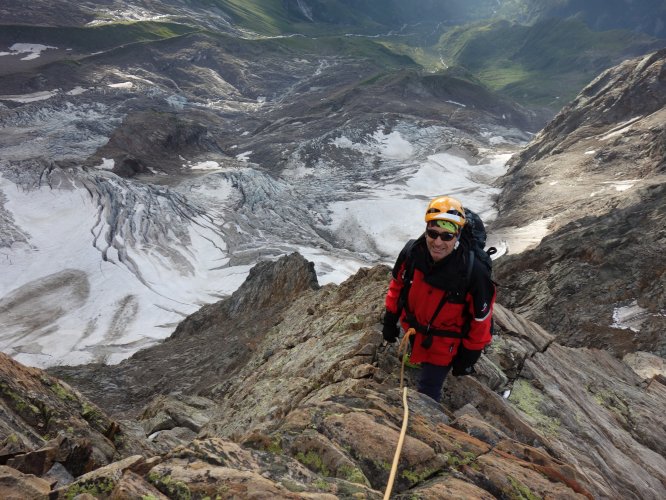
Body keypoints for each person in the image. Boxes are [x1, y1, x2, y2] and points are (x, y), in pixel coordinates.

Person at [381, 195, 495, 402]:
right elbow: (397, 285)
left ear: (457, 236)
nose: (438, 242)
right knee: (419, 358)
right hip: (414, 328)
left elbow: (481, 320)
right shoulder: (412, 253)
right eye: (432, 233)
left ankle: (425, 425)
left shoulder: (474, 272)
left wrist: (469, 356)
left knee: (428, 390)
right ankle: (417, 357)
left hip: (444, 344)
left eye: (447, 236)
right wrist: (390, 318)